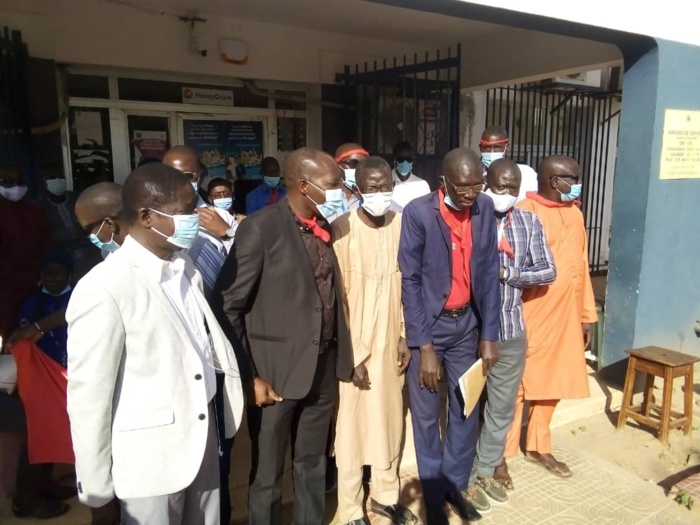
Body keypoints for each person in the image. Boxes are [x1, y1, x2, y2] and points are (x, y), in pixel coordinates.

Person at [66, 163, 244, 525]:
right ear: (147, 216)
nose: (197, 217)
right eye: (186, 212)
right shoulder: (103, 288)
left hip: (203, 443)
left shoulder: (183, 268)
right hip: (150, 465)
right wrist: (99, 495)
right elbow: (89, 399)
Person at [213, 147, 352, 524]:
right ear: (305, 186)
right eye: (333, 184)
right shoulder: (261, 227)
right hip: (273, 375)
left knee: (312, 464)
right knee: (267, 472)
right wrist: (249, 375)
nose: (341, 189)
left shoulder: (328, 227)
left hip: (321, 368)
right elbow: (227, 305)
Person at [399, 147, 500, 525]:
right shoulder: (419, 213)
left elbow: (489, 270)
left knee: (466, 408)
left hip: (467, 327)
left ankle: (455, 489)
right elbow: (409, 280)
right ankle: (433, 498)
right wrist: (423, 345)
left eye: (477, 184)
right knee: (426, 417)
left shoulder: (485, 208)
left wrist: (488, 333)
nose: (471, 193)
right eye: (463, 187)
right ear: (444, 183)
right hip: (431, 327)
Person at [466, 159, 556, 511]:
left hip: (511, 329)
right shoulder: (472, 219)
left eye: (512, 188)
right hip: (470, 332)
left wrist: (509, 272)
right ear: (486, 184)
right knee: (467, 406)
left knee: (501, 409)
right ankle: (463, 475)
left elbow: (547, 269)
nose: (505, 194)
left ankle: (484, 470)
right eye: (499, 187)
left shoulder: (529, 222)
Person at [332, 157, 417, 525]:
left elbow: (407, 286)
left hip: (390, 344)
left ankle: (384, 497)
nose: (379, 194)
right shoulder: (341, 229)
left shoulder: (402, 225)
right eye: (371, 187)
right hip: (356, 350)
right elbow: (338, 302)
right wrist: (353, 355)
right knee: (351, 429)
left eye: (385, 186)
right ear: (357, 188)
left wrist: (403, 337)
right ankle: (351, 508)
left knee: (389, 422)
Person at [504, 155, 597, 479]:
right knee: (518, 384)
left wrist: (588, 315)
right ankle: (504, 451)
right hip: (532, 313)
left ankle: (539, 445)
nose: (577, 182)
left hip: (567, 315)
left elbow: (582, 266)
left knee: (554, 382)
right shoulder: (525, 213)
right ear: (555, 181)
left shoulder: (575, 214)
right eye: (573, 177)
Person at [163, 146, 238, 297]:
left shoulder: (222, 216)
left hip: (218, 306)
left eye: (187, 176)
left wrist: (227, 233)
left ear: (200, 176)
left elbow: (247, 262)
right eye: (171, 176)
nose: (179, 183)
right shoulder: (153, 218)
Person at [0, 165, 52, 344]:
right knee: (9, 336)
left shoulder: (35, 212)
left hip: (36, 283)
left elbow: (47, 246)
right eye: (7, 182)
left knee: (37, 332)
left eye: (19, 182)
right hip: (5, 289)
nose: (15, 186)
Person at [35, 166, 101, 280]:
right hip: (60, 258)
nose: (58, 180)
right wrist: (73, 231)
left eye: (61, 177)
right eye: (52, 177)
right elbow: (43, 236)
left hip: (90, 254)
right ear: (43, 182)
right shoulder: (38, 206)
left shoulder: (78, 198)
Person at [479, 126, 538, 202]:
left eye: (497, 147)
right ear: (480, 148)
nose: (492, 152)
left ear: (506, 147)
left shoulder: (526, 174)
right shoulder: (474, 174)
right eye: (487, 147)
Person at [75, 182, 129, 257]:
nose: (89, 236)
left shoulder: (111, 266)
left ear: (109, 224)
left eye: (87, 230)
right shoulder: (107, 253)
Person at [390, 141, 430, 212]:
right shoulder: (386, 182)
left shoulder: (422, 185)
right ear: (395, 160)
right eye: (401, 159)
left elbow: (426, 210)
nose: (405, 162)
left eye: (409, 159)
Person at [335, 143, 369, 217]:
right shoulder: (325, 198)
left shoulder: (372, 197)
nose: (360, 169)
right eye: (354, 163)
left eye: (364, 164)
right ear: (337, 166)